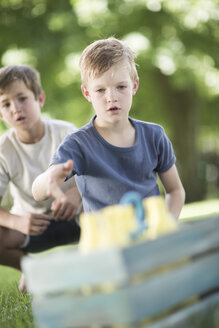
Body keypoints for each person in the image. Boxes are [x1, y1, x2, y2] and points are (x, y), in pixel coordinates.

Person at [32, 37, 185, 224]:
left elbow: (175, 190)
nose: (111, 97)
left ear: (134, 86)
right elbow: (37, 192)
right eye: (100, 90)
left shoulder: (154, 136)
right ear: (87, 93)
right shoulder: (78, 144)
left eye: (121, 87)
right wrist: (50, 178)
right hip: (107, 244)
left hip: (150, 241)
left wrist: (167, 224)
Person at [0, 65, 81, 292]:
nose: (15, 108)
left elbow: (99, 174)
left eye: (22, 98)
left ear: (40, 98)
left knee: (107, 203)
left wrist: (76, 195)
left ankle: (92, 261)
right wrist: (17, 221)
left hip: (77, 215)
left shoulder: (67, 133)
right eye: (5, 104)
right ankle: (31, 270)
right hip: (31, 226)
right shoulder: (3, 150)